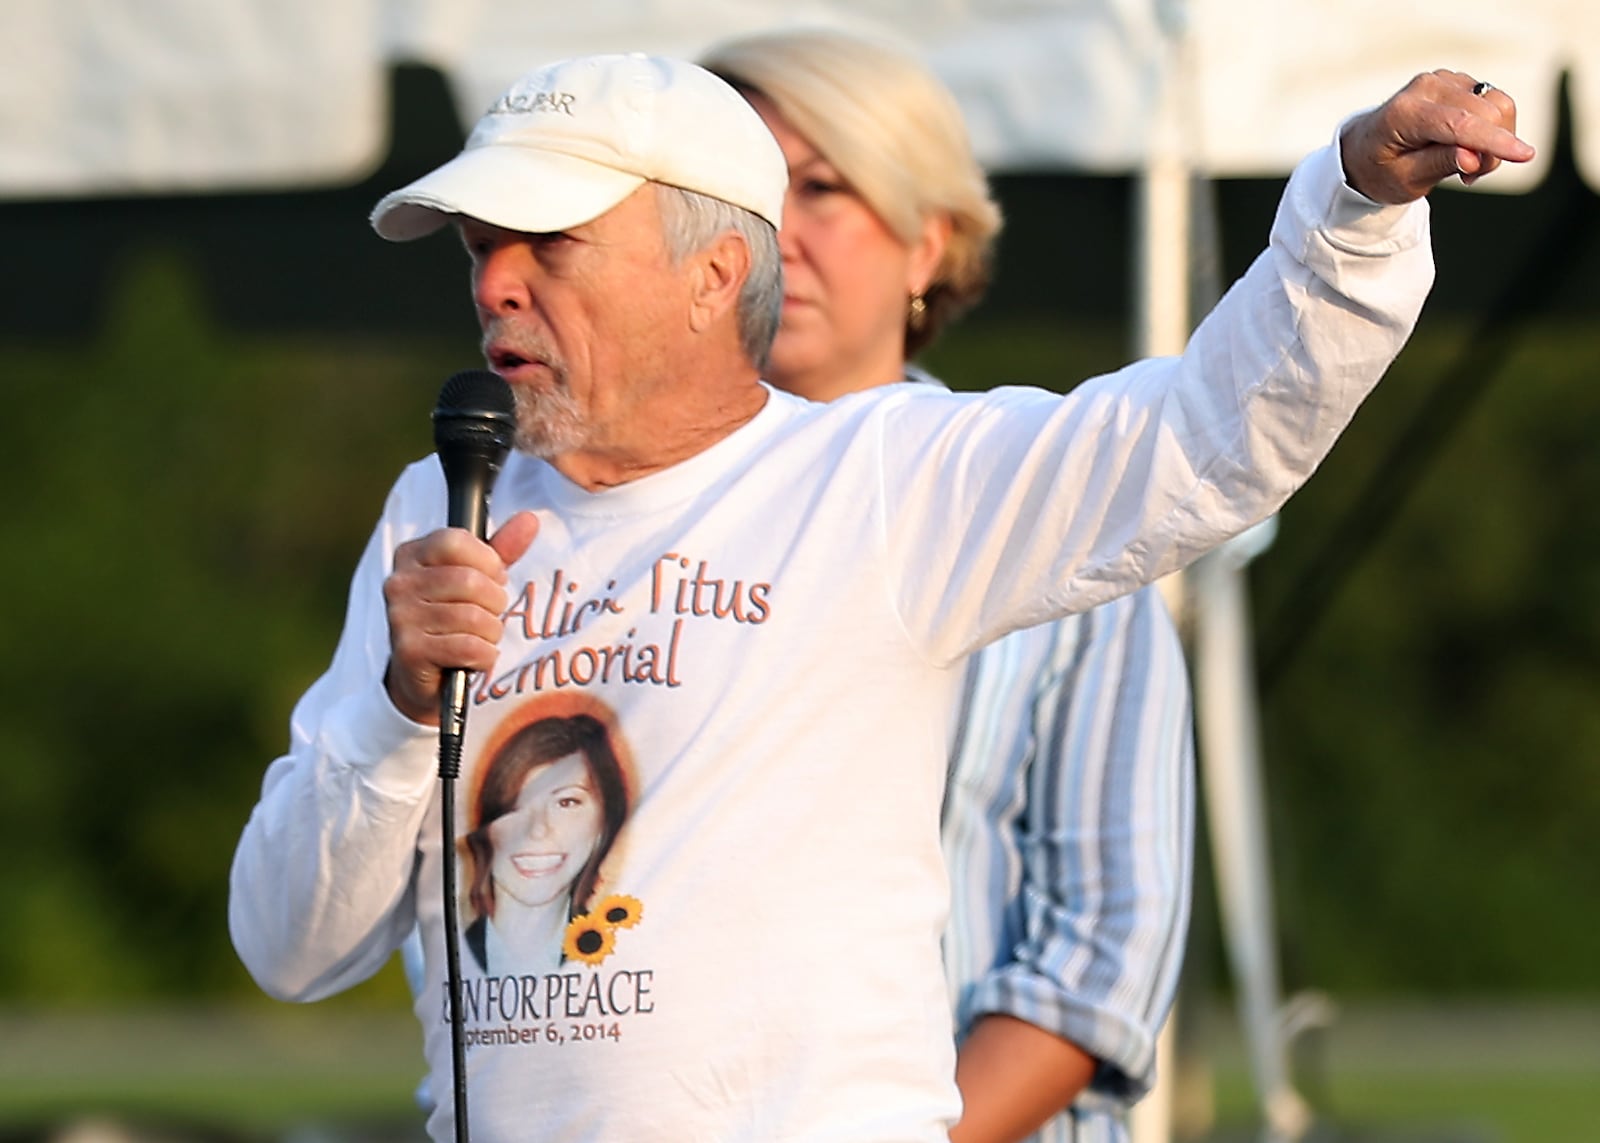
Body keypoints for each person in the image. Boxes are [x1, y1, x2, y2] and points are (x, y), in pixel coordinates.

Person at [228, 50, 1530, 1143]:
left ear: (711, 274)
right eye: (477, 244)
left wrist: (1352, 207)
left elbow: (1206, 437)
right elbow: (289, 943)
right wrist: (400, 707)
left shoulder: (887, 479)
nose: (494, 283)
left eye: (549, 241)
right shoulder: (437, 506)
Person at [700, 28, 1192, 1143]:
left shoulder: (1050, 508)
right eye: (737, 193)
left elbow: (1099, 955)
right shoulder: (605, 520)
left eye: (821, 188)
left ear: (931, 243)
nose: (774, 233)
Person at [459, 698, 632, 976]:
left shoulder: (626, 952)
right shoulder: (461, 950)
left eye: (567, 803)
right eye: (514, 806)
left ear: (604, 824)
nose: (538, 829)